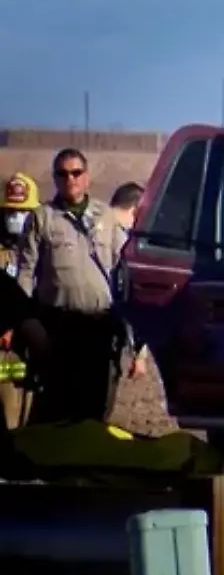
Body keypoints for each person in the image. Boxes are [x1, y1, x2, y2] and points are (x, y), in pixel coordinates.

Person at [17, 148, 128, 424]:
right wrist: (22, 323)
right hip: (58, 329)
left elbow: (123, 269)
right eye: (62, 173)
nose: (70, 179)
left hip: (99, 328)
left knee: (96, 408)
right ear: (55, 178)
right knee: (57, 407)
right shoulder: (42, 218)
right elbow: (26, 273)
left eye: (76, 172)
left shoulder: (106, 217)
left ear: (87, 177)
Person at [0, 173, 40, 429]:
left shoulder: (43, 252)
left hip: (35, 343)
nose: (16, 218)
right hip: (4, 347)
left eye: (23, 212)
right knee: (7, 411)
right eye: (10, 212)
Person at [108, 181, 149, 378]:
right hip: (104, 334)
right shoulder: (125, 246)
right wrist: (139, 354)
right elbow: (128, 298)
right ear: (136, 210)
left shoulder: (87, 227)